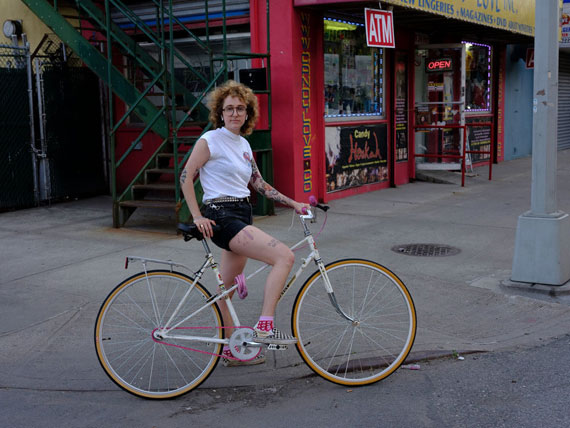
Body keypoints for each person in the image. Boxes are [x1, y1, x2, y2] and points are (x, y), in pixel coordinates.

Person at [180, 80, 309, 366]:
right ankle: (265, 326)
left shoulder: (244, 145)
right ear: (220, 113)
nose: (235, 113)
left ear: (247, 113)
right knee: (284, 257)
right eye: (229, 109)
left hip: (241, 214)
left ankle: (231, 349)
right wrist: (197, 215)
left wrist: (294, 203)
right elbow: (185, 176)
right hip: (221, 216)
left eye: (240, 108)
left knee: (224, 290)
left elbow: (259, 184)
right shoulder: (210, 140)